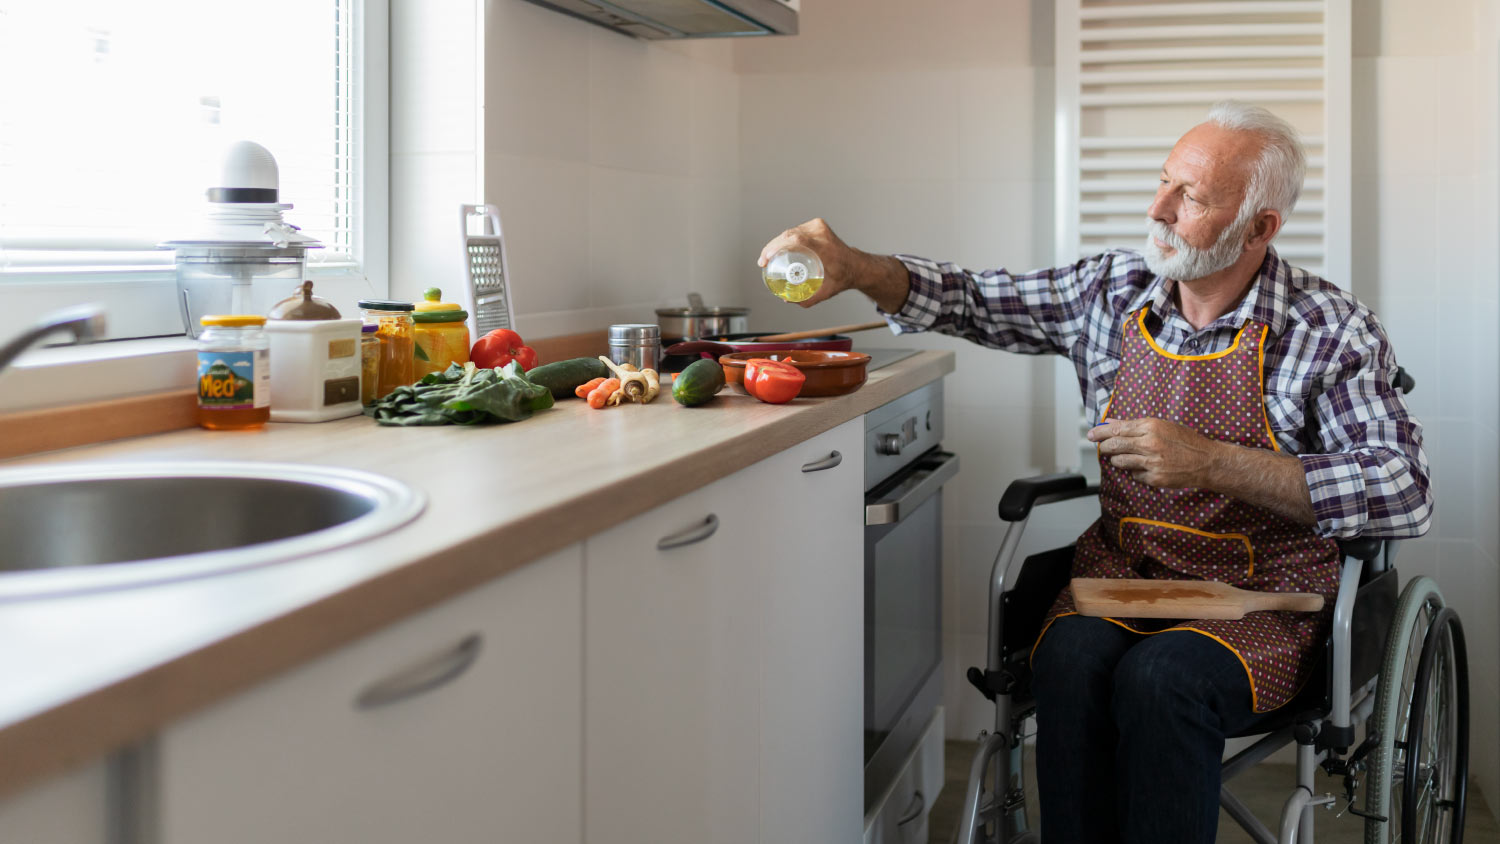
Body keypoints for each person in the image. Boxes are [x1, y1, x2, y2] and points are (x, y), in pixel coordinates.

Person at [757, 100, 1432, 843]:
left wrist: (1214, 463)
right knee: (1071, 661)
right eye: (1164, 182)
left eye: (1192, 198)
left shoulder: (1327, 328)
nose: (1158, 209)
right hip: (1122, 575)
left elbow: (1404, 488)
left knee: (1163, 678)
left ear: (1260, 228)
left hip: (1265, 602)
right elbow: (972, 299)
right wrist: (856, 267)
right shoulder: (1108, 292)